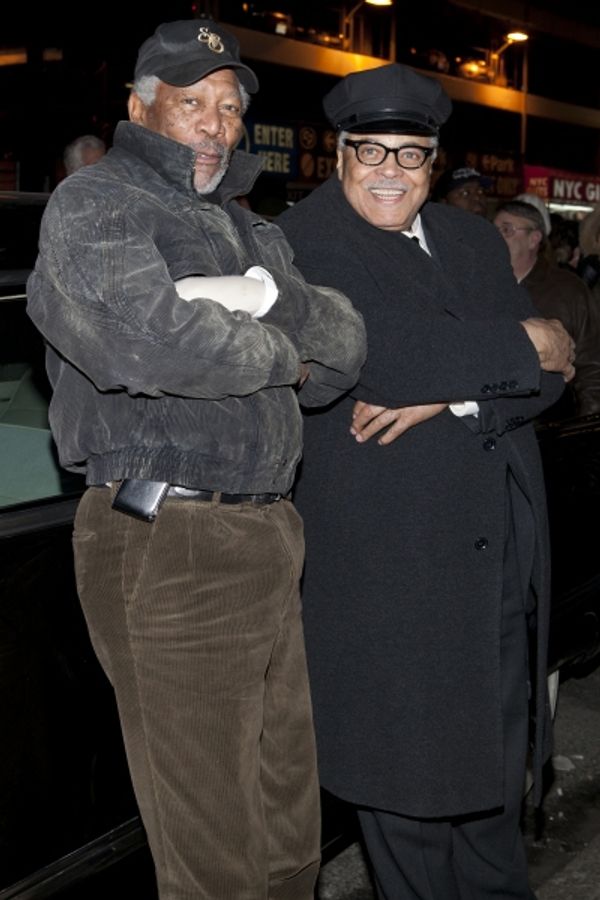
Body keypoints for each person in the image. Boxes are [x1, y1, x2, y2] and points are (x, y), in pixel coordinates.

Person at [26, 18, 366, 900]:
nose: (218, 123)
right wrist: (279, 344)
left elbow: (346, 348)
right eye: (193, 103)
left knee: (291, 826)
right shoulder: (96, 204)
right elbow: (148, 347)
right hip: (168, 535)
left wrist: (251, 299)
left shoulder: (255, 231)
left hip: (269, 530)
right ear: (140, 107)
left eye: (230, 106)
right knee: (215, 850)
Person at [277, 62, 575, 900]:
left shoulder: (471, 238)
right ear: (337, 155)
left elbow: (555, 382)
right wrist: (529, 343)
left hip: (494, 569)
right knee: (408, 810)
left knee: (492, 803)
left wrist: (457, 398)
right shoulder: (302, 242)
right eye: (370, 150)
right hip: (390, 587)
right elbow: (372, 352)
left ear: (434, 164)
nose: (390, 173)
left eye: (411, 156)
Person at [494, 199, 600, 417]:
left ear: (534, 239)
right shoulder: (476, 287)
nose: (496, 237)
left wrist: (586, 427)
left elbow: (592, 367)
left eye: (507, 230)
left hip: (553, 427)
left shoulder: (568, 290)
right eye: (493, 230)